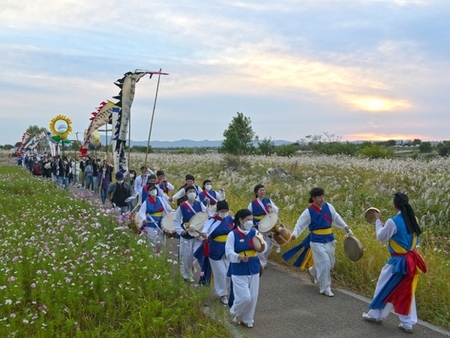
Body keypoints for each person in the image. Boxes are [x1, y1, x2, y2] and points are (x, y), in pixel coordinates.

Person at [362, 192, 427, 334]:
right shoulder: (413, 218)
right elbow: (416, 239)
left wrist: (378, 221)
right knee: (407, 291)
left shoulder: (393, 221)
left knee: (383, 287)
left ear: (394, 205)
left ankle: (376, 315)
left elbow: (381, 236)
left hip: (396, 263)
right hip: (411, 261)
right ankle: (408, 323)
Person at [289, 187, 352, 297]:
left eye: (323, 196)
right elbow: (300, 224)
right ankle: (325, 288)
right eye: (319, 197)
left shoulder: (329, 207)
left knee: (330, 264)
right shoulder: (308, 212)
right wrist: (295, 234)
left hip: (329, 239)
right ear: (313, 198)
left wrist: (345, 226)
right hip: (316, 241)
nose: (322, 199)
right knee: (325, 263)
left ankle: (313, 271)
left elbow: (336, 217)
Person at [226, 208, 267, 328]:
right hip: (239, 269)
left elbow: (263, 247)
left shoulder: (255, 233)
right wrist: (238, 256)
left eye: (251, 219)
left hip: (253, 267)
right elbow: (228, 251)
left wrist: (260, 246)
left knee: (253, 296)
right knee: (245, 297)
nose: (250, 222)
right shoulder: (232, 234)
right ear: (241, 220)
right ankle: (234, 311)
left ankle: (247, 318)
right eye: (248, 220)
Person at [173, 185, 211, 282]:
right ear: (186, 193)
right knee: (186, 255)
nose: (192, 193)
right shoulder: (182, 206)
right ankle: (186, 275)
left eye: (193, 191)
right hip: (187, 233)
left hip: (197, 233)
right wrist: (180, 230)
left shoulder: (199, 204)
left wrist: (208, 205)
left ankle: (192, 267)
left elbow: (206, 215)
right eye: (190, 191)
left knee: (196, 253)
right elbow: (176, 220)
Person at [201, 200, 234, 304]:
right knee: (220, 272)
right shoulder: (212, 220)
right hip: (215, 249)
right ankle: (222, 294)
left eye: (226, 210)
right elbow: (205, 230)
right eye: (222, 210)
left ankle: (224, 289)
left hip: (228, 248)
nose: (224, 212)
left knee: (229, 271)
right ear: (218, 210)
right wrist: (204, 234)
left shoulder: (230, 219)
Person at [247, 184, 279, 269]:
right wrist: (251, 224)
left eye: (264, 190)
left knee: (268, 246)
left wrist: (271, 207)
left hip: (268, 225)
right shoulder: (252, 204)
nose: (262, 192)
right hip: (257, 226)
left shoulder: (268, 200)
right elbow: (248, 215)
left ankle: (263, 260)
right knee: (260, 244)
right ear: (256, 192)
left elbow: (276, 211)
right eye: (260, 190)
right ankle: (262, 262)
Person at [138, 183, 173, 253]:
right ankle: (153, 258)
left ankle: (160, 257)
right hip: (150, 225)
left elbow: (169, 209)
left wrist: (174, 213)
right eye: (151, 190)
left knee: (161, 242)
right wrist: (144, 219)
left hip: (161, 224)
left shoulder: (161, 200)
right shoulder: (146, 202)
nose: (153, 191)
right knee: (152, 242)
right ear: (148, 192)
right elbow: (141, 212)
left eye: (154, 189)